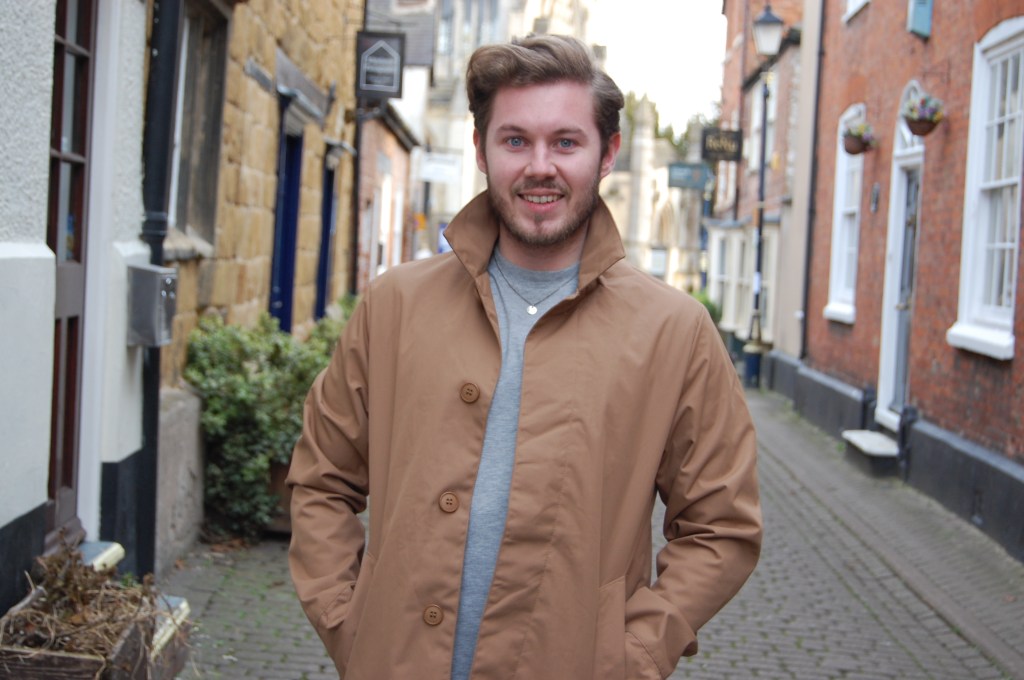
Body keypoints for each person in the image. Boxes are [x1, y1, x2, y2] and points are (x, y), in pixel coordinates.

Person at [287, 34, 761, 680]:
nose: (541, 166)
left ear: (608, 153)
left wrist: (634, 654)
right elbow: (320, 480)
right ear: (481, 151)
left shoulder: (674, 334)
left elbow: (721, 525)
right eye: (515, 141)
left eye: (566, 142)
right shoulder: (395, 306)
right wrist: (349, 619)